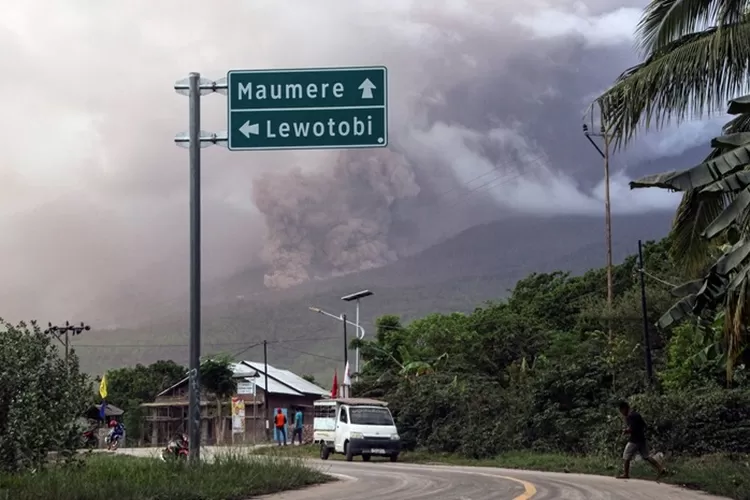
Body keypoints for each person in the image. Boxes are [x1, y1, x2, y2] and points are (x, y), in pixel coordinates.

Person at [617, 401, 665, 479]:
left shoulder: (630, 416)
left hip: (634, 440)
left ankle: (626, 474)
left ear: (624, 408)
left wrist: (626, 431)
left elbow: (632, 428)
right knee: (647, 456)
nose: (622, 413)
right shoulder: (637, 414)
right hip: (642, 438)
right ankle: (660, 468)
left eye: (621, 411)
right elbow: (643, 425)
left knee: (626, 455)